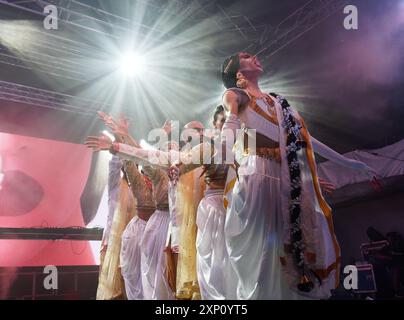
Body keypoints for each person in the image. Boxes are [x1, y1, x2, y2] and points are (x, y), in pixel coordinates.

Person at [220, 51, 377, 299]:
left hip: (285, 178)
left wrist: (349, 163)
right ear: (238, 73)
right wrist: (224, 148)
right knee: (265, 254)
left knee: (294, 246)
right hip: (259, 175)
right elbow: (230, 129)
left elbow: (307, 140)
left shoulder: (279, 103)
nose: (256, 56)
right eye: (248, 56)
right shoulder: (236, 95)